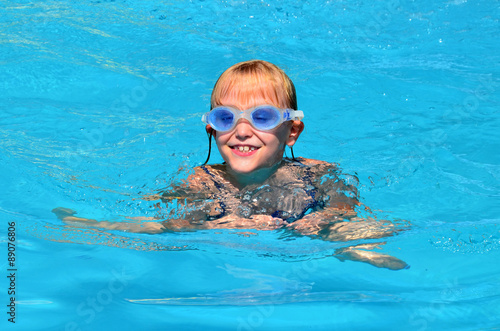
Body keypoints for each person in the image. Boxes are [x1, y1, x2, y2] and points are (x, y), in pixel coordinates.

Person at [53, 60, 408, 270]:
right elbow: (183, 221)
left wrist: (323, 218)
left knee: (366, 228)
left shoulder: (314, 171)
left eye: (262, 117)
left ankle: (348, 251)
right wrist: (223, 225)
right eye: (226, 118)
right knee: (163, 228)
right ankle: (94, 225)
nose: (241, 131)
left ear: (292, 131)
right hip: (228, 230)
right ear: (211, 126)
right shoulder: (204, 180)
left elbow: (345, 201)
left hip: (306, 228)